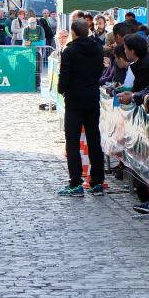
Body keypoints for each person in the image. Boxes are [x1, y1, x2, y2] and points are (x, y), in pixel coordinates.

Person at [57, 19, 105, 197]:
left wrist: (61, 89)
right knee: (94, 140)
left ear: (74, 32)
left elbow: (65, 76)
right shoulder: (97, 48)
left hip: (74, 100)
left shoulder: (70, 51)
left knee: (72, 142)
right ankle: (97, 182)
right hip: (92, 97)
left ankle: (76, 182)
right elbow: (100, 71)